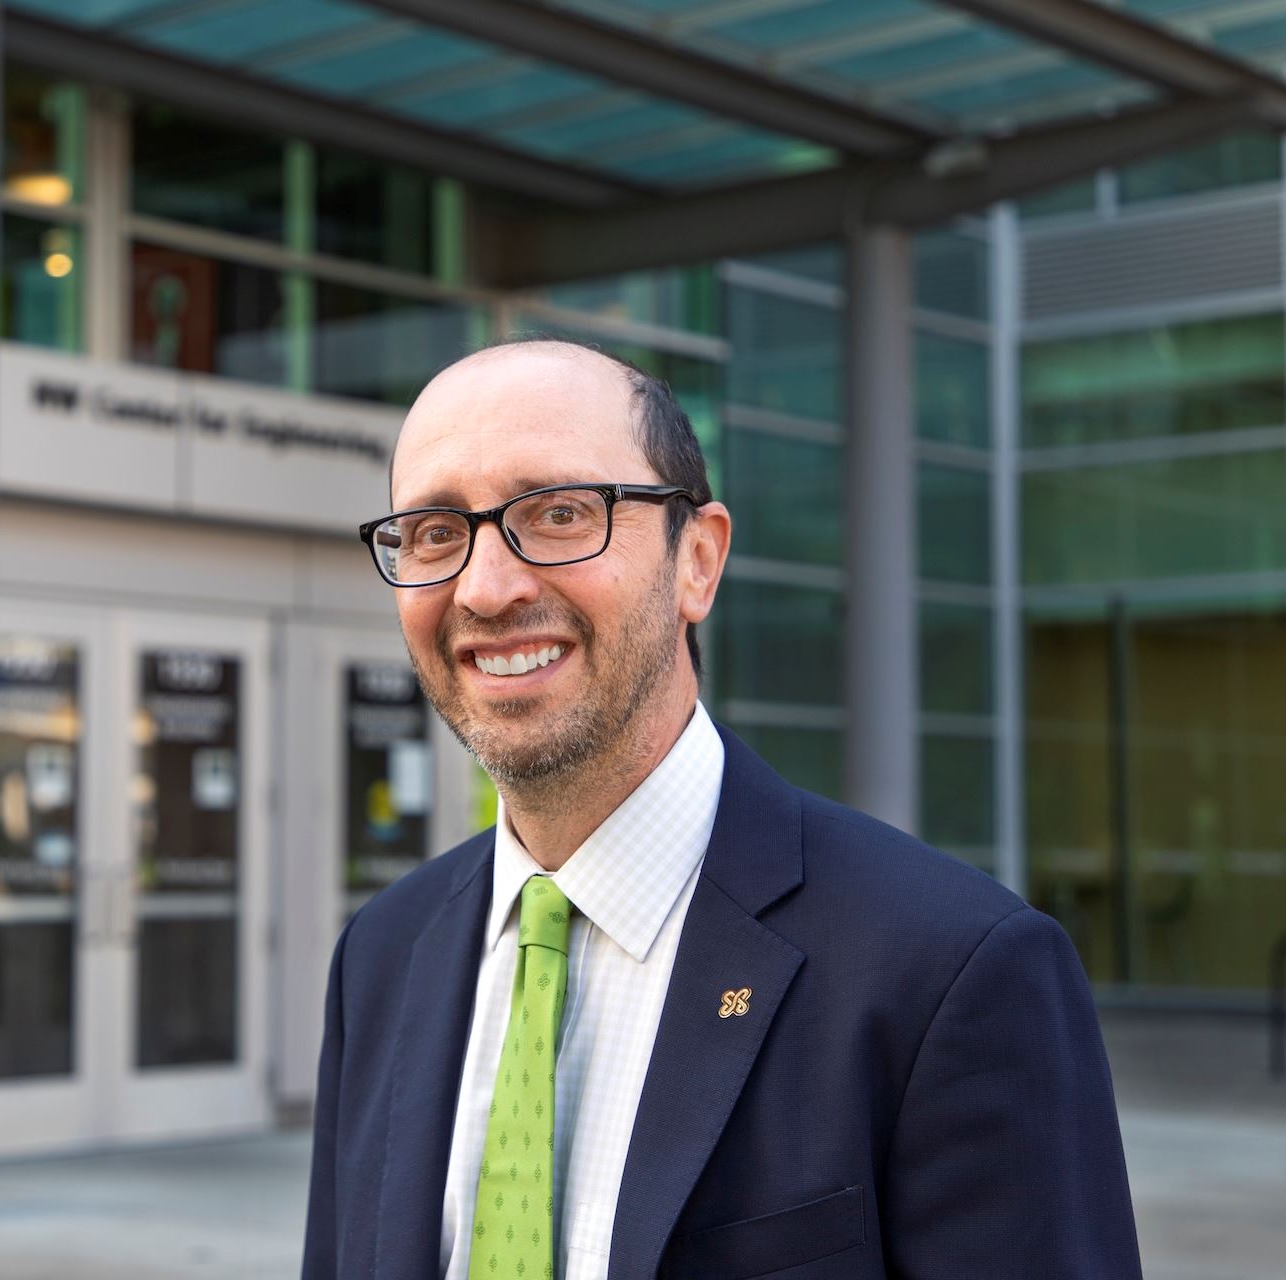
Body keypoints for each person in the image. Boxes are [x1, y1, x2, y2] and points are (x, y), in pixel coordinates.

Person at [302, 339, 1141, 1280]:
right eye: (432, 532)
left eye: (560, 513)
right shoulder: (380, 956)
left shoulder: (950, 971)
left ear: (696, 561)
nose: (487, 587)